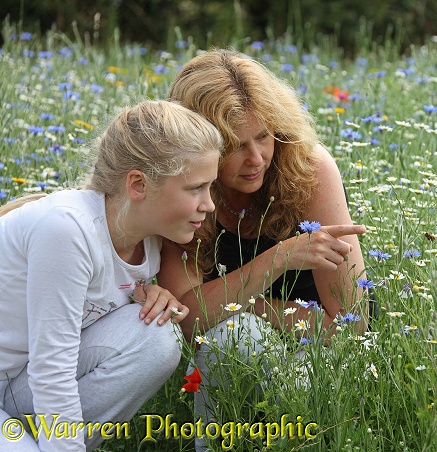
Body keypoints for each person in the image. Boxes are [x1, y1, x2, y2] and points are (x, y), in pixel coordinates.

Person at [158, 49, 368, 450]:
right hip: (230, 356)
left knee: (231, 331)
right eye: (234, 146)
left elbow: (350, 329)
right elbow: (184, 322)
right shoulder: (186, 187)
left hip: (319, 362)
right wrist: (276, 261)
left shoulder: (308, 169)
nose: (256, 159)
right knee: (231, 339)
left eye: (263, 136)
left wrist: (243, 302)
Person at [0, 100, 223, 451]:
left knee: (156, 337)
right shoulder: (67, 229)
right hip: (36, 378)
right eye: (196, 188)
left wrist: (146, 293)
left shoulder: (148, 242)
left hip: (20, 385)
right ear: (137, 184)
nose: (208, 204)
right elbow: (52, 369)